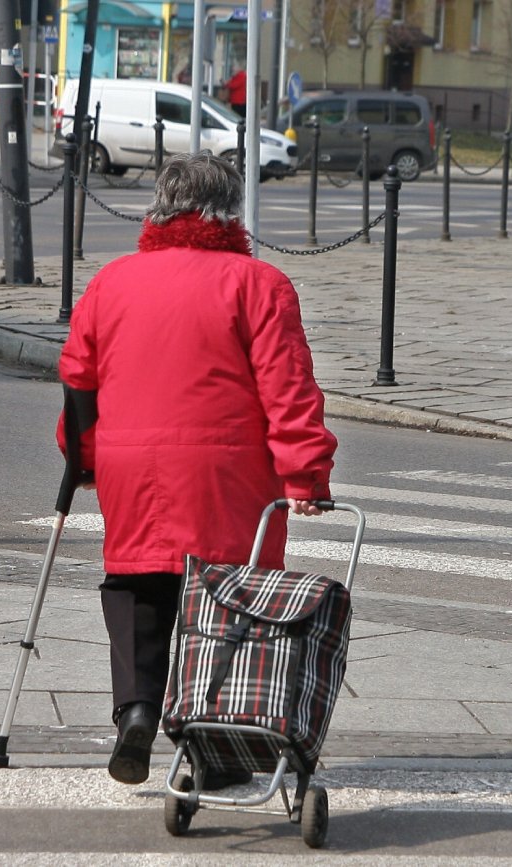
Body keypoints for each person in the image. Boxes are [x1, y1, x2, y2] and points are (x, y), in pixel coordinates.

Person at [57, 153, 338, 786]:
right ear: (230, 212)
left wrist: (82, 459)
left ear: (158, 206)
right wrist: (305, 475)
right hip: (227, 471)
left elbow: (79, 382)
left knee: (137, 582)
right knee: (228, 598)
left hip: (132, 465)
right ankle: (213, 748)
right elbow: (288, 388)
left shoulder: (112, 281)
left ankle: (137, 710)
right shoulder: (259, 283)